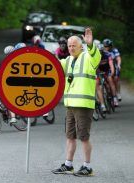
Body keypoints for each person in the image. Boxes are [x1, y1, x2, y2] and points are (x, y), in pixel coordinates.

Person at [52, 28, 101, 176]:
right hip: (70, 105)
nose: (71, 48)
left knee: (84, 137)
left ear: (81, 46)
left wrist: (90, 44)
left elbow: (96, 56)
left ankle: (87, 167)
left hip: (83, 105)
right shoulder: (68, 60)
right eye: (69, 46)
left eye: (74, 45)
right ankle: (68, 164)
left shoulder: (88, 58)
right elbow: (53, 65)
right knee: (70, 136)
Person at [96, 43, 117, 111]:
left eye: (101, 51)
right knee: (98, 84)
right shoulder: (95, 57)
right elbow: (95, 67)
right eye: (98, 51)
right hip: (99, 71)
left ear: (103, 51)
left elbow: (111, 65)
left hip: (107, 70)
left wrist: (112, 72)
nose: (100, 53)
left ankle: (114, 97)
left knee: (110, 80)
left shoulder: (107, 55)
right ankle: (102, 103)